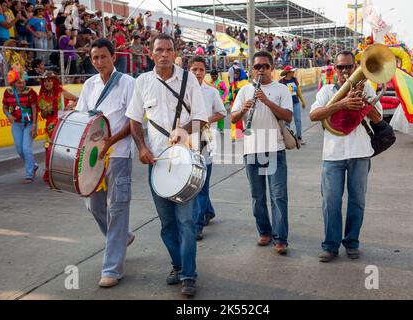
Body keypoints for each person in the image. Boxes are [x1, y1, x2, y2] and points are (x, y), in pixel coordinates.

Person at [126, 33, 208, 297]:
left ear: (175, 53)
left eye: (168, 50)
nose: (163, 54)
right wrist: (142, 147)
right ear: (151, 54)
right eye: (159, 50)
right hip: (156, 162)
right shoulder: (142, 82)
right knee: (167, 224)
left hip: (184, 161)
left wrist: (183, 130)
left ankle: (188, 274)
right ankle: (178, 264)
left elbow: (201, 119)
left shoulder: (188, 80)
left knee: (186, 222)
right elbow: (135, 120)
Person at [309, 50, 383, 263]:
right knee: (331, 202)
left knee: (357, 201)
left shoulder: (367, 87)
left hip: (360, 153)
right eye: (340, 67)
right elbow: (314, 115)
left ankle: (352, 242)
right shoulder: (326, 91)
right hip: (332, 155)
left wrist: (364, 104)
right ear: (334, 68)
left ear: (355, 68)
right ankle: (330, 245)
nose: (344, 71)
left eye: (349, 66)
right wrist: (341, 104)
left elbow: (378, 119)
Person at [75, 38, 135, 287]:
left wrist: (112, 140)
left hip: (119, 153)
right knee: (93, 204)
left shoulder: (128, 83)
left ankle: (112, 268)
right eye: (95, 58)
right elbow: (81, 117)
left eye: (103, 57)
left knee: (118, 207)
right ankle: (123, 237)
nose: (99, 62)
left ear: (113, 57)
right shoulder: (89, 85)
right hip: (93, 157)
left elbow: (134, 121)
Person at [231, 51, 293, 255]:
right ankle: (265, 231)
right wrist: (242, 111)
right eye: (257, 66)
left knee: (278, 196)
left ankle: (281, 238)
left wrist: (266, 101)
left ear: (272, 68)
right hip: (252, 150)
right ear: (251, 69)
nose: (261, 70)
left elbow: (288, 116)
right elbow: (233, 119)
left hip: (275, 149)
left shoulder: (281, 89)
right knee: (257, 196)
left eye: (265, 66)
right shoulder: (244, 91)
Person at [188, 56, 226, 240]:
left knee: (201, 185)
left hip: (206, 141)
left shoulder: (211, 92)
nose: (197, 73)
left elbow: (221, 112)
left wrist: (206, 120)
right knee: (192, 184)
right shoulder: (182, 91)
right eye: (194, 69)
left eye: (201, 70)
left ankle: (197, 225)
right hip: (186, 142)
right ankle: (208, 210)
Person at [37, 71, 78, 182]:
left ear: (54, 81)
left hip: (62, 125)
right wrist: (45, 111)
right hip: (50, 127)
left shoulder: (61, 93)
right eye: (45, 81)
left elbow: (77, 99)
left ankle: (68, 173)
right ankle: (51, 174)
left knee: (64, 151)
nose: (47, 83)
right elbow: (43, 115)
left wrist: (70, 106)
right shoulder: (41, 97)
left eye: (49, 81)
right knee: (49, 150)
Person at [2, 65, 38, 184]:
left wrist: (34, 126)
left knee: (26, 149)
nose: (21, 84)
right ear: (13, 82)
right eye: (18, 82)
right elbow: (5, 107)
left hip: (28, 124)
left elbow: (34, 109)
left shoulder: (30, 92)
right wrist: (8, 115)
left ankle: (29, 174)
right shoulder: (8, 93)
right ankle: (33, 165)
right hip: (16, 124)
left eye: (23, 82)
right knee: (19, 149)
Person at [279, 65, 307, 144]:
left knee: (298, 121)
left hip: (296, 103)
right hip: (286, 105)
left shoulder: (294, 79)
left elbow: (298, 92)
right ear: (288, 73)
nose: (294, 72)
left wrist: (303, 101)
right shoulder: (281, 82)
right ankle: (287, 138)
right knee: (287, 122)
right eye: (292, 71)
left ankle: (299, 138)